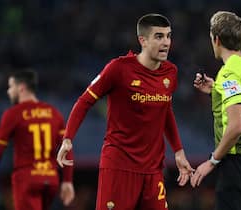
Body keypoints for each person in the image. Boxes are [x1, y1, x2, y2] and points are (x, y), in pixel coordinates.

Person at [56, 13, 194, 210]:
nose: (166, 42)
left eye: (168, 36)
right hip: (119, 166)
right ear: (142, 40)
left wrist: (178, 151)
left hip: (153, 169)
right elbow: (84, 101)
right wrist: (68, 139)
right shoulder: (118, 69)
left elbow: (165, 111)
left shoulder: (170, 73)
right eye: (159, 36)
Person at [191, 11, 241, 210]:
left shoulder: (229, 73)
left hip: (235, 161)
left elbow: (236, 126)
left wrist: (212, 161)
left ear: (216, 40)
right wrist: (216, 90)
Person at [0, 70, 75, 210]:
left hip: (26, 179)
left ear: (21, 88)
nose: (9, 92)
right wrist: (67, 181)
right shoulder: (54, 113)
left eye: (11, 87)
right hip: (50, 179)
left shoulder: (13, 114)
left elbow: (0, 146)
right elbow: (67, 148)